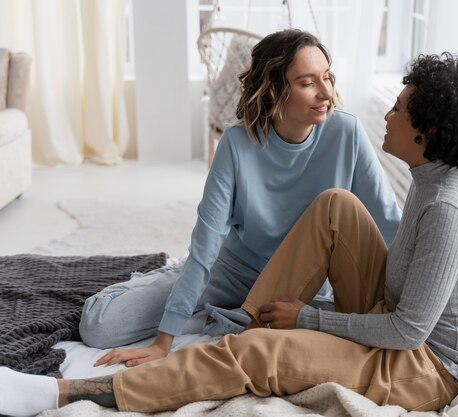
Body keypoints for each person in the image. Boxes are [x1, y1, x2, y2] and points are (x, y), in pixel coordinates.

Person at [0, 52, 458, 416]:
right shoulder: (430, 178)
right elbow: (398, 243)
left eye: (399, 108)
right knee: (336, 205)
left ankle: (63, 394)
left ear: (428, 133)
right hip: (387, 320)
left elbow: (407, 333)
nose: (388, 114)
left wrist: (309, 318)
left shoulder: (447, 208)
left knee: (259, 354)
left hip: (424, 368)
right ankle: (247, 326)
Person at [78, 28, 402, 367]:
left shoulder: (346, 133)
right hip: (234, 272)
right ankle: (179, 283)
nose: (326, 93)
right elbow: (206, 245)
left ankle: (216, 317)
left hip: (303, 287)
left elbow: (389, 224)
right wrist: (163, 343)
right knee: (98, 326)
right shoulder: (237, 142)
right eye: (307, 83)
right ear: (275, 89)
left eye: (328, 78)